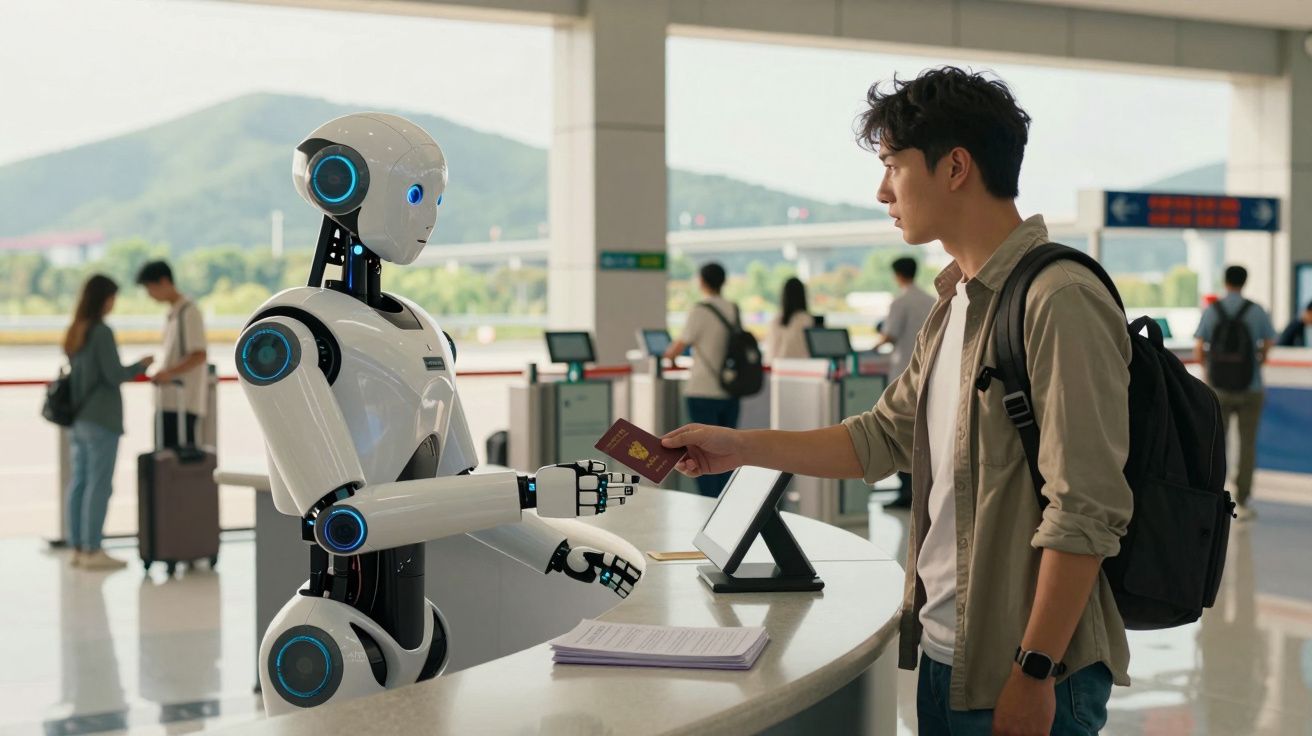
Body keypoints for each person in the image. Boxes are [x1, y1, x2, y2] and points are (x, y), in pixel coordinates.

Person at [663, 67, 1131, 735]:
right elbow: (877, 439)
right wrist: (737, 445)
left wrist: (1034, 671)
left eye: (892, 165)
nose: (882, 190)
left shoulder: (1056, 298)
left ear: (956, 167)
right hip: (949, 655)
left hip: (1025, 671)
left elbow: (1086, 506)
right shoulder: (956, 304)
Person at [63, 274, 153, 570]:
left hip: (78, 420)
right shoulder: (101, 331)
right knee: (99, 485)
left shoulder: (76, 330)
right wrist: (140, 366)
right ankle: (93, 548)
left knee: (80, 483)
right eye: (112, 297)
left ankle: (77, 547)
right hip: (101, 418)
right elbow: (113, 375)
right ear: (103, 298)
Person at [1192, 265, 1277, 520]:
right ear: (1245, 281)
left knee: (1217, 443)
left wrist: (1209, 373)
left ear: (1225, 281)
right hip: (1250, 387)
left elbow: (1199, 348)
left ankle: (1215, 494)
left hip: (1218, 389)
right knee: (1247, 444)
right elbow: (1268, 342)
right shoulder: (1256, 310)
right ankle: (1243, 499)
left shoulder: (1212, 310)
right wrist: (1257, 363)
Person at [664, 262, 743, 498]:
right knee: (727, 452)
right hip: (730, 390)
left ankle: (707, 505)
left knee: (703, 455)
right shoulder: (733, 308)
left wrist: (667, 355)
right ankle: (724, 504)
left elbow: (677, 348)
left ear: (702, 281)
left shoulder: (700, 310)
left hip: (702, 391)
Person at [874, 256, 936, 509]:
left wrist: (874, 342)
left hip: (902, 373)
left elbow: (889, 335)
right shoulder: (931, 300)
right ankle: (921, 491)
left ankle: (905, 491)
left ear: (898, 275)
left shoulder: (900, 302)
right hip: (928, 372)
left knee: (901, 430)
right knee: (925, 432)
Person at [136, 261, 208, 448]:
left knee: (177, 464)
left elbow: (199, 354)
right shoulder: (174, 313)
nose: (149, 294)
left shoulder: (189, 311)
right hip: (169, 401)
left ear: (164, 281)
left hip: (182, 402)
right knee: (165, 463)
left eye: (150, 288)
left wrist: (169, 373)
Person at [766, 277, 815, 362]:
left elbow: (771, 352)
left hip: (777, 370)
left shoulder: (776, 321)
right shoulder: (806, 320)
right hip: (801, 370)